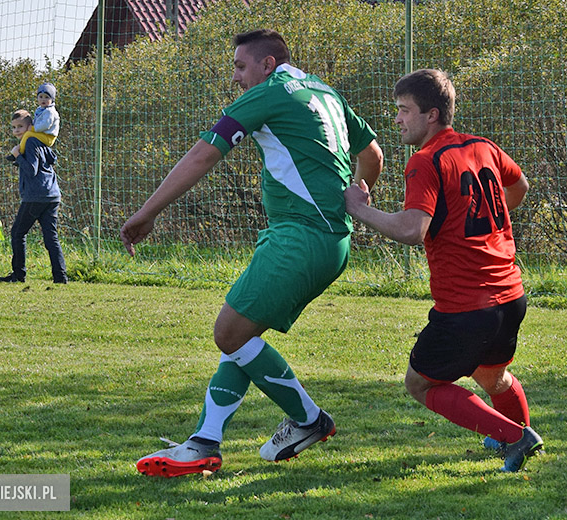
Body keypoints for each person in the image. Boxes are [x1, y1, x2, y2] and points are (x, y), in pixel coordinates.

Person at [120, 29, 383, 478]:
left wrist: (147, 214)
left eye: (241, 67)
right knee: (239, 337)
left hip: (300, 237)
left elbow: (204, 154)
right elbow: (372, 152)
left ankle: (308, 420)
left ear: (267, 64)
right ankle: (204, 442)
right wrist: (360, 195)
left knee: (229, 333)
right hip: (326, 238)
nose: (237, 78)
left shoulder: (271, 93)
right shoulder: (323, 91)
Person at [344, 69, 542, 472]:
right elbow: (519, 187)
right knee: (494, 378)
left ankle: (516, 437)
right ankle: (518, 437)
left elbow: (411, 230)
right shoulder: (483, 146)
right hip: (510, 295)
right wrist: (479, 219)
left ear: (431, 115)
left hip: (466, 307)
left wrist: (358, 208)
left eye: (404, 110)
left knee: (420, 383)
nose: (397, 119)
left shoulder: (425, 161)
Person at [0, 109, 68, 284]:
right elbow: (50, 160)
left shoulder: (29, 142)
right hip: (52, 195)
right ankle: (61, 277)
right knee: (50, 236)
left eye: (20, 126)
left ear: (31, 125)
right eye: (14, 127)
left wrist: (17, 157)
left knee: (18, 232)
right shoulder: (41, 141)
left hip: (36, 196)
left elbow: (31, 170)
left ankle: (18, 275)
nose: (17, 131)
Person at [6, 83, 60, 164]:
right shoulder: (40, 109)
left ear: (52, 99)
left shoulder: (50, 111)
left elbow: (46, 125)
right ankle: (20, 153)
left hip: (48, 137)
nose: (43, 100)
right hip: (43, 135)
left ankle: (18, 155)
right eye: (41, 97)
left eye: (47, 97)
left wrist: (33, 128)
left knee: (28, 134)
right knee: (28, 135)